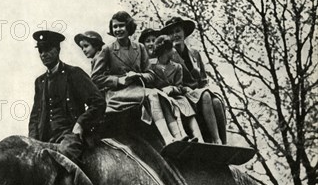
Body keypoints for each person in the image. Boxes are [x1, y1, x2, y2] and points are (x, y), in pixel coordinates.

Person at [29, 30, 106, 161]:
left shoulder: (74, 74)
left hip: (69, 136)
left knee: (63, 159)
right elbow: (35, 116)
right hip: (44, 137)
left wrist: (81, 124)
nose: (43, 54)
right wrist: (31, 141)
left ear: (58, 50)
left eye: (47, 49)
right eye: (40, 50)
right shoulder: (40, 81)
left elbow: (98, 102)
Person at [161, 16, 227, 144]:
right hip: (182, 93)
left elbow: (203, 80)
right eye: (171, 33)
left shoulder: (194, 53)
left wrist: (202, 86)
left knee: (217, 102)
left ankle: (223, 144)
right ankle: (216, 140)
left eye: (178, 31)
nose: (175, 35)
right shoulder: (169, 55)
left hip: (197, 93)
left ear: (184, 32)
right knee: (206, 95)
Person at [91, 11, 155, 116]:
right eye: (115, 27)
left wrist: (139, 75)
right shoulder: (108, 49)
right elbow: (95, 78)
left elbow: (151, 75)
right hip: (118, 93)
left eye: (121, 26)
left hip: (138, 89)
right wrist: (117, 80)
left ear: (129, 27)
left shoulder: (140, 47)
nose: (117, 30)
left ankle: (176, 132)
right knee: (154, 95)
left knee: (159, 96)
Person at [149, 35, 202, 144]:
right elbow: (149, 84)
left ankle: (199, 138)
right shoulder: (151, 66)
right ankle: (180, 135)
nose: (174, 51)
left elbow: (180, 87)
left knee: (185, 106)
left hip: (176, 96)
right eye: (171, 48)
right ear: (165, 51)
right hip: (161, 98)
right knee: (169, 105)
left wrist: (172, 88)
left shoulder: (177, 67)